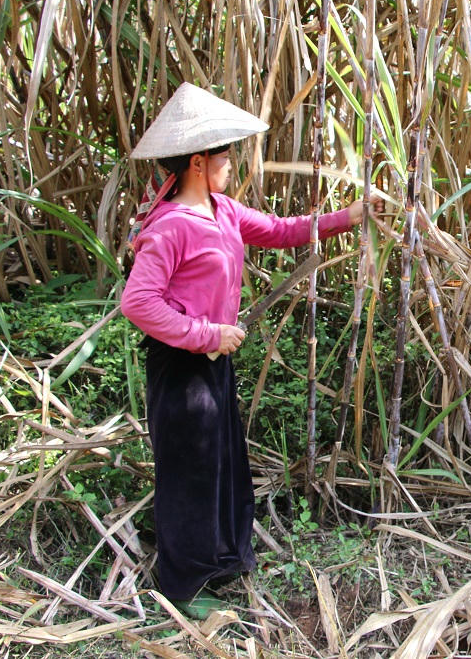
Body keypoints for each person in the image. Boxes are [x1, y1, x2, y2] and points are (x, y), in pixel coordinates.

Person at [121, 82, 382, 617]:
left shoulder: (223, 210)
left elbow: (283, 231)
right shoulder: (170, 227)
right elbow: (139, 303)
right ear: (198, 162)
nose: (232, 165)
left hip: (215, 363)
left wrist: (349, 216)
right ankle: (184, 587)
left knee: (220, 460)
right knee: (189, 467)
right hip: (182, 366)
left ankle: (221, 559)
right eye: (225, 157)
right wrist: (207, 334)